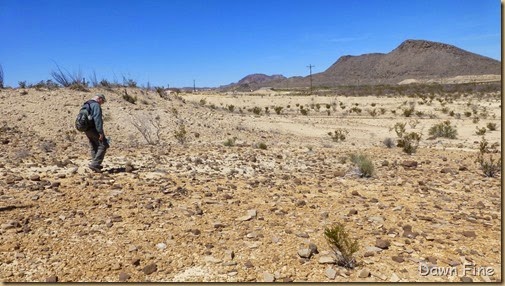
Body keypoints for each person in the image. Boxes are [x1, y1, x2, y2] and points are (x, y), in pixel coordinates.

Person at [83, 94, 109, 172]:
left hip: (86, 129)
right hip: (93, 128)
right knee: (103, 145)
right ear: (100, 99)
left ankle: (95, 165)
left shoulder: (86, 104)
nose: (102, 103)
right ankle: (95, 164)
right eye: (102, 101)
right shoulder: (96, 105)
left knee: (94, 145)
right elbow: (97, 119)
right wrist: (100, 132)